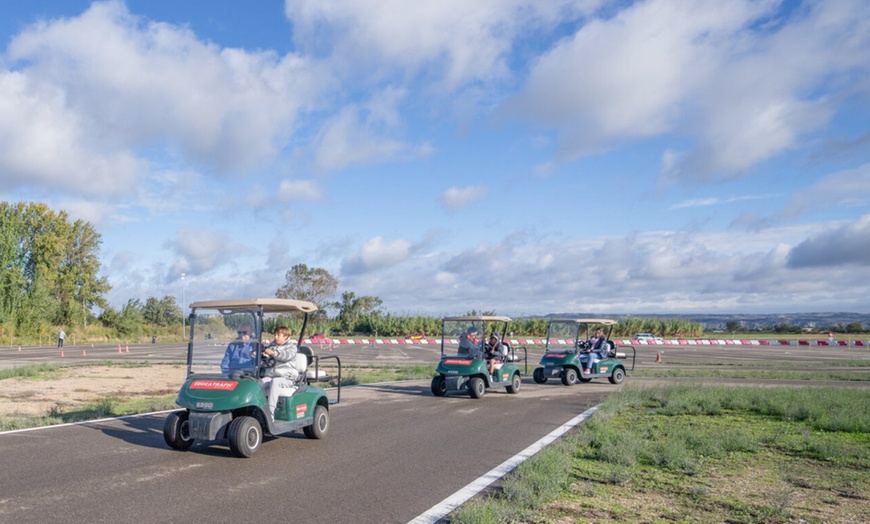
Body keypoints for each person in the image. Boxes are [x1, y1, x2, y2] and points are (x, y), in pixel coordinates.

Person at [261, 326, 301, 421]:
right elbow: (266, 359)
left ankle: (270, 413)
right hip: (272, 375)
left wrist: (273, 353)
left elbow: (286, 356)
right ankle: (258, 409)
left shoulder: (292, 347)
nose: (276, 337)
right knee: (259, 383)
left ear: (286, 336)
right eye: (275, 334)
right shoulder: (272, 346)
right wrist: (259, 355)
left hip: (287, 378)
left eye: (278, 335)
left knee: (275, 382)